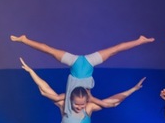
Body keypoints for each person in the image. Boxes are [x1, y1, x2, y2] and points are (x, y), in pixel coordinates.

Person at [9, 33, 154, 114]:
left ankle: (25, 40)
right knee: (50, 51)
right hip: (83, 65)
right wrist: (132, 89)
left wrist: (32, 73)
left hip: (80, 66)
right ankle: (25, 39)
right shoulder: (87, 102)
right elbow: (110, 103)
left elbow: (46, 92)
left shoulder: (71, 100)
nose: (79, 107)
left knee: (114, 50)